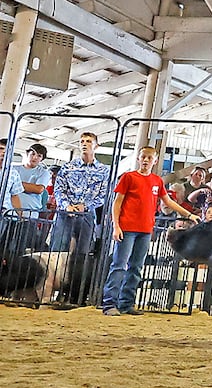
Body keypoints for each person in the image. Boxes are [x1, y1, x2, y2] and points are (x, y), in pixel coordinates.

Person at [102, 145, 196, 316]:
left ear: (155, 161)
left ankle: (126, 303)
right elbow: (117, 202)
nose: (145, 160)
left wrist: (188, 215)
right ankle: (109, 303)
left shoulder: (157, 181)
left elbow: (168, 201)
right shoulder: (128, 177)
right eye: (143, 157)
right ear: (138, 158)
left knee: (136, 267)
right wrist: (116, 225)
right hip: (127, 227)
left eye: (149, 158)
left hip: (145, 229)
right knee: (119, 265)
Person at [49, 132, 109, 258]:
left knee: (83, 254)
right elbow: (59, 190)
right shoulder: (67, 167)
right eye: (82, 141)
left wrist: (85, 206)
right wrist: (67, 206)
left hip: (87, 214)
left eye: (88, 141)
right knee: (56, 252)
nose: (84, 144)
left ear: (96, 146)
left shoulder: (104, 170)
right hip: (64, 214)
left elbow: (104, 195)